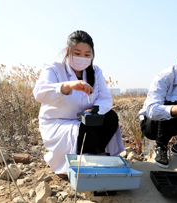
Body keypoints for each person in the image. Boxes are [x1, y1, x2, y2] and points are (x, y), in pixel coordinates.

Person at [33, 30, 124, 178]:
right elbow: (40, 93)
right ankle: (78, 157)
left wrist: (95, 110)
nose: (82, 58)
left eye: (87, 55)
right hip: (60, 123)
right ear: (68, 51)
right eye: (77, 53)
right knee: (84, 133)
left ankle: (95, 153)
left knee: (110, 117)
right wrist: (68, 86)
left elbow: (105, 97)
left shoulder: (95, 71)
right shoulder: (53, 69)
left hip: (85, 119)